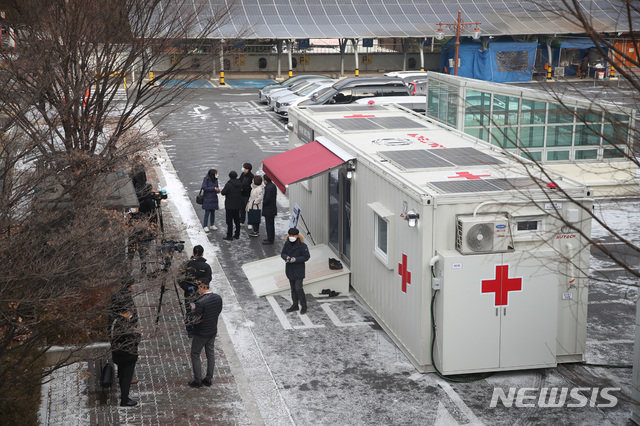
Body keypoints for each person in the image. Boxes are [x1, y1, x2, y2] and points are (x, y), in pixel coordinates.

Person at [109, 279, 141, 407]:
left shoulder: (113, 319)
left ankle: (123, 391)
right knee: (126, 377)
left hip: (118, 352)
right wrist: (137, 334)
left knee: (123, 373)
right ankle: (124, 399)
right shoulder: (123, 326)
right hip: (127, 354)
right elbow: (134, 338)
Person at [187, 280, 223, 388]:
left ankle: (197, 380)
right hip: (212, 330)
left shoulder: (200, 302)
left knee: (195, 354)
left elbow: (194, 318)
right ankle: (208, 378)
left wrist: (193, 309)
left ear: (202, 287)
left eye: (199, 288)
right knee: (210, 354)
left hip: (201, 333)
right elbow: (218, 311)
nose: (198, 290)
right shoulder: (217, 298)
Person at [179, 245, 212, 336]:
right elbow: (208, 279)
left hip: (190, 294)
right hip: (202, 294)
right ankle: (200, 328)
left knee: (190, 310)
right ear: (202, 254)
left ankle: (190, 330)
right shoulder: (206, 266)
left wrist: (186, 287)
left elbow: (179, 278)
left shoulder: (186, 264)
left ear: (193, 253)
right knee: (201, 310)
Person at [281, 228, 311, 314]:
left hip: (299, 270)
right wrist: (286, 257)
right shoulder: (287, 244)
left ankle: (304, 305)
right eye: (290, 235)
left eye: (293, 235)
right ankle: (295, 305)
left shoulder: (303, 246)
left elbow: (306, 257)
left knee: (298, 288)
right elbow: (282, 253)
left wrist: (295, 259)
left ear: (297, 236)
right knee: (293, 288)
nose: (291, 237)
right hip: (290, 269)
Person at [220, 170, 243, 241]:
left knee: (229, 221)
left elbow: (223, 192)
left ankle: (229, 235)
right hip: (238, 205)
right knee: (237, 220)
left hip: (229, 205)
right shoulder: (240, 183)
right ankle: (237, 234)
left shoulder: (229, 184)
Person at [262, 175, 277, 245]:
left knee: (269, 225)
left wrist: (263, 202)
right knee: (271, 224)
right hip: (272, 208)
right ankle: (270, 238)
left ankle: (270, 239)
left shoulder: (268, 188)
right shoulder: (273, 186)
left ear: (265, 180)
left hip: (268, 209)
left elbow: (267, 199)